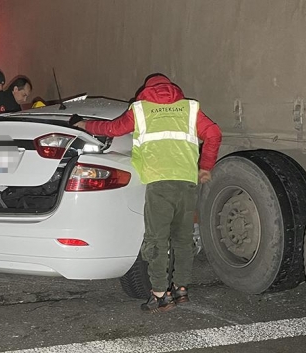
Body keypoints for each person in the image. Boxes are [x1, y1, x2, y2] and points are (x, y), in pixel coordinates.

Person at [73, 74, 222, 313]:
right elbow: (214, 134)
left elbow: (112, 129)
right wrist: (205, 167)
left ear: (146, 90)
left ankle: (160, 294)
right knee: (183, 239)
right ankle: (181, 289)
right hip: (187, 182)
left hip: (159, 183)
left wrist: (84, 125)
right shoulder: (189, 109)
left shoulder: (141, 110)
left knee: (157, 239)